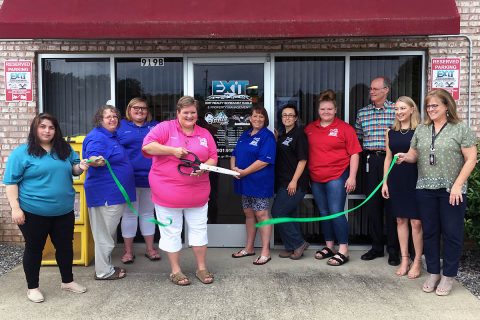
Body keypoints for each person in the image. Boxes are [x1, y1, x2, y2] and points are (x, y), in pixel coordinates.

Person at [396, 89, 477, 296]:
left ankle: (448, 276)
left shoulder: (460, 129)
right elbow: (415, 154)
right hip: (425, 189)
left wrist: (458, 185)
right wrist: (405, 157)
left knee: (451, 233)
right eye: (428, 106)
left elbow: (471, 159)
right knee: (430, 232)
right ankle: (433, 272)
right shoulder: (422, 129)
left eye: (435, 106)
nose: (431, 109)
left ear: (446, 107)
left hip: (452, 190)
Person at [3, 113, 88, 303]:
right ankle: (32, 287)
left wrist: (81, 166)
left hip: (64, 211)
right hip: (33, 212)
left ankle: (68, 281)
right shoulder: (22, 153)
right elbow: (11, 183)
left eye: (51, 127)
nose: (47, 130)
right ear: (35, 129)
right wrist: (15, 208)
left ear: (56, 130)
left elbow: (74, 170)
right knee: (35, 249)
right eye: (42, 126)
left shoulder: (63, 149)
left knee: (65, 247)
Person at [142, 96, 218, 286]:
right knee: (170, 231)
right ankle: (176, 271)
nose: (190, 116)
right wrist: (171, 150)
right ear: (178, 113)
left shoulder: (204, 134)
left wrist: (204, 167)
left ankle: (201, 268)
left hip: (197, 194)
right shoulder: (165, 128)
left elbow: (213, 157)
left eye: (193, 112)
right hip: (167, 193)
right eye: (186, 112)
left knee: (199, 230)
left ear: (197, 114)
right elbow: (147, 147)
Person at [305, 90, 362, 266]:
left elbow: (354, 154)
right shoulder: (310, 129)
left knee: (336, 212)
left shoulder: (345, 128)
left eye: (330, 109)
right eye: (323, 109)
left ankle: (343, 249)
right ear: (318, 110)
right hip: (316, 177)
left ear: (335, 110)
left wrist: (352, 177)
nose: (326, 112)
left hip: (337, 176)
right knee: (324, 213)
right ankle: (329, 246)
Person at [83, 105, 136, 280]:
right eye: (108, 117)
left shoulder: (111, 136)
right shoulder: (97, 137)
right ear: (100, 120)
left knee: (107, 234)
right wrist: (95, 160)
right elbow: (92, 156)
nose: (112, 119)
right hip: (106, 195)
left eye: (115, 116)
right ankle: (103, 272)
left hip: (113, 195)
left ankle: (105, 267)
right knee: (104, 235)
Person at [355, 76, 400, 266]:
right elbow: (358, 138)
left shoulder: (396, 111)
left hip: (393, 162)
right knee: (372, 206)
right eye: (370, 89)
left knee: (392, 206)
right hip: (371, 161)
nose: (371, 91)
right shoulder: (363, 113)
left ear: (386, 90)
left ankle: (393, 250)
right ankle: (376, 247)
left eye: (375, 88)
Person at [381, 96, 423, 278]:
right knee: (400, 220)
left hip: (415, 178)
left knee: (416, 222)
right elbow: (388, 158)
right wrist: (385, 182)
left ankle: (417, 261)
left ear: (412, 109)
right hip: (396, 179)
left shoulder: (421, 130)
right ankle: (405, 259)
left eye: (403, 108)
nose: (399, 112)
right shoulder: (390, 132)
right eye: (397, 109)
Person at [231, 106, 276, 265]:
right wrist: (233, 169)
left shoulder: (267, 137)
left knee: (262, 215)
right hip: (245, 183)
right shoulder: (245, 135)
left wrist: (244, 172)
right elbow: (234, 154)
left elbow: (264, 161)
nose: (258, 119)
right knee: (249, 214)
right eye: (255, 116)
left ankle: (265, 251)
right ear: (250, 118)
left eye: (261, 117)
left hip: (260, 183)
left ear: (265, 120)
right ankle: (249, 248)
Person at [117, 97, 160, 264]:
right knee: (129, 214)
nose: (140, 110)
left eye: (143, 108)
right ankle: (128, 252)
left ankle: (150, 249)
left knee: (148, 213)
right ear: (129, 110)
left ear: (147, 111)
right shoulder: (120, 127)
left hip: (151, 178)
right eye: (135, 107)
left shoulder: (155, 126)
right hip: (129, 179)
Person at [272, 104, 310, 260]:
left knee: (278, 213)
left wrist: (294, 181)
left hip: (295, 183)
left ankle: (299, 243)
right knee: (289, 214)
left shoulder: (299, 134)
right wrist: (276, 140)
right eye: (284, 115)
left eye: (290, 115)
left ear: (296, 118)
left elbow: (302, 160)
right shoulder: (282, 135)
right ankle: (291, 246)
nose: (287, 117)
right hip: (282, 182)